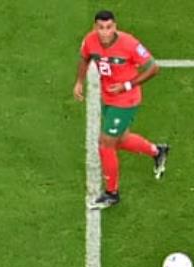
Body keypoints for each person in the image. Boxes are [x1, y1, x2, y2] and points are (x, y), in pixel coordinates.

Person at [74, 9, 169, 209]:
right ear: (95, 27)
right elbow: (84, 58)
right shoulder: (90, 40)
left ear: (115, 27)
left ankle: (112, 193)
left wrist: (127, 85)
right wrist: (79, 82)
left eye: (108, 27)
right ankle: (156, 151)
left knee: (106, 143)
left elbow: (153, 67)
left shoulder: (130, 44)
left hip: (126, 100)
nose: (104, 32)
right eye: (100, 27)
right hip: (108, 97)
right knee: (120, 139)